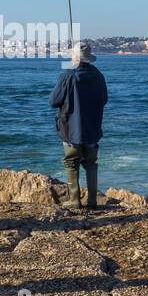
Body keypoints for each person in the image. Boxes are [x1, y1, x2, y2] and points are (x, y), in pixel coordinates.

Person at [48, 40, 108, 209]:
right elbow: (104, 99)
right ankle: (92, 201)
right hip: (92, 128)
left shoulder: (68, 75)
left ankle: (74, 199)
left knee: (71, 163)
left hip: (70, 130)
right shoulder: (98, 75)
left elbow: (53, 101)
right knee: (91, 164)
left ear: (75, 58)